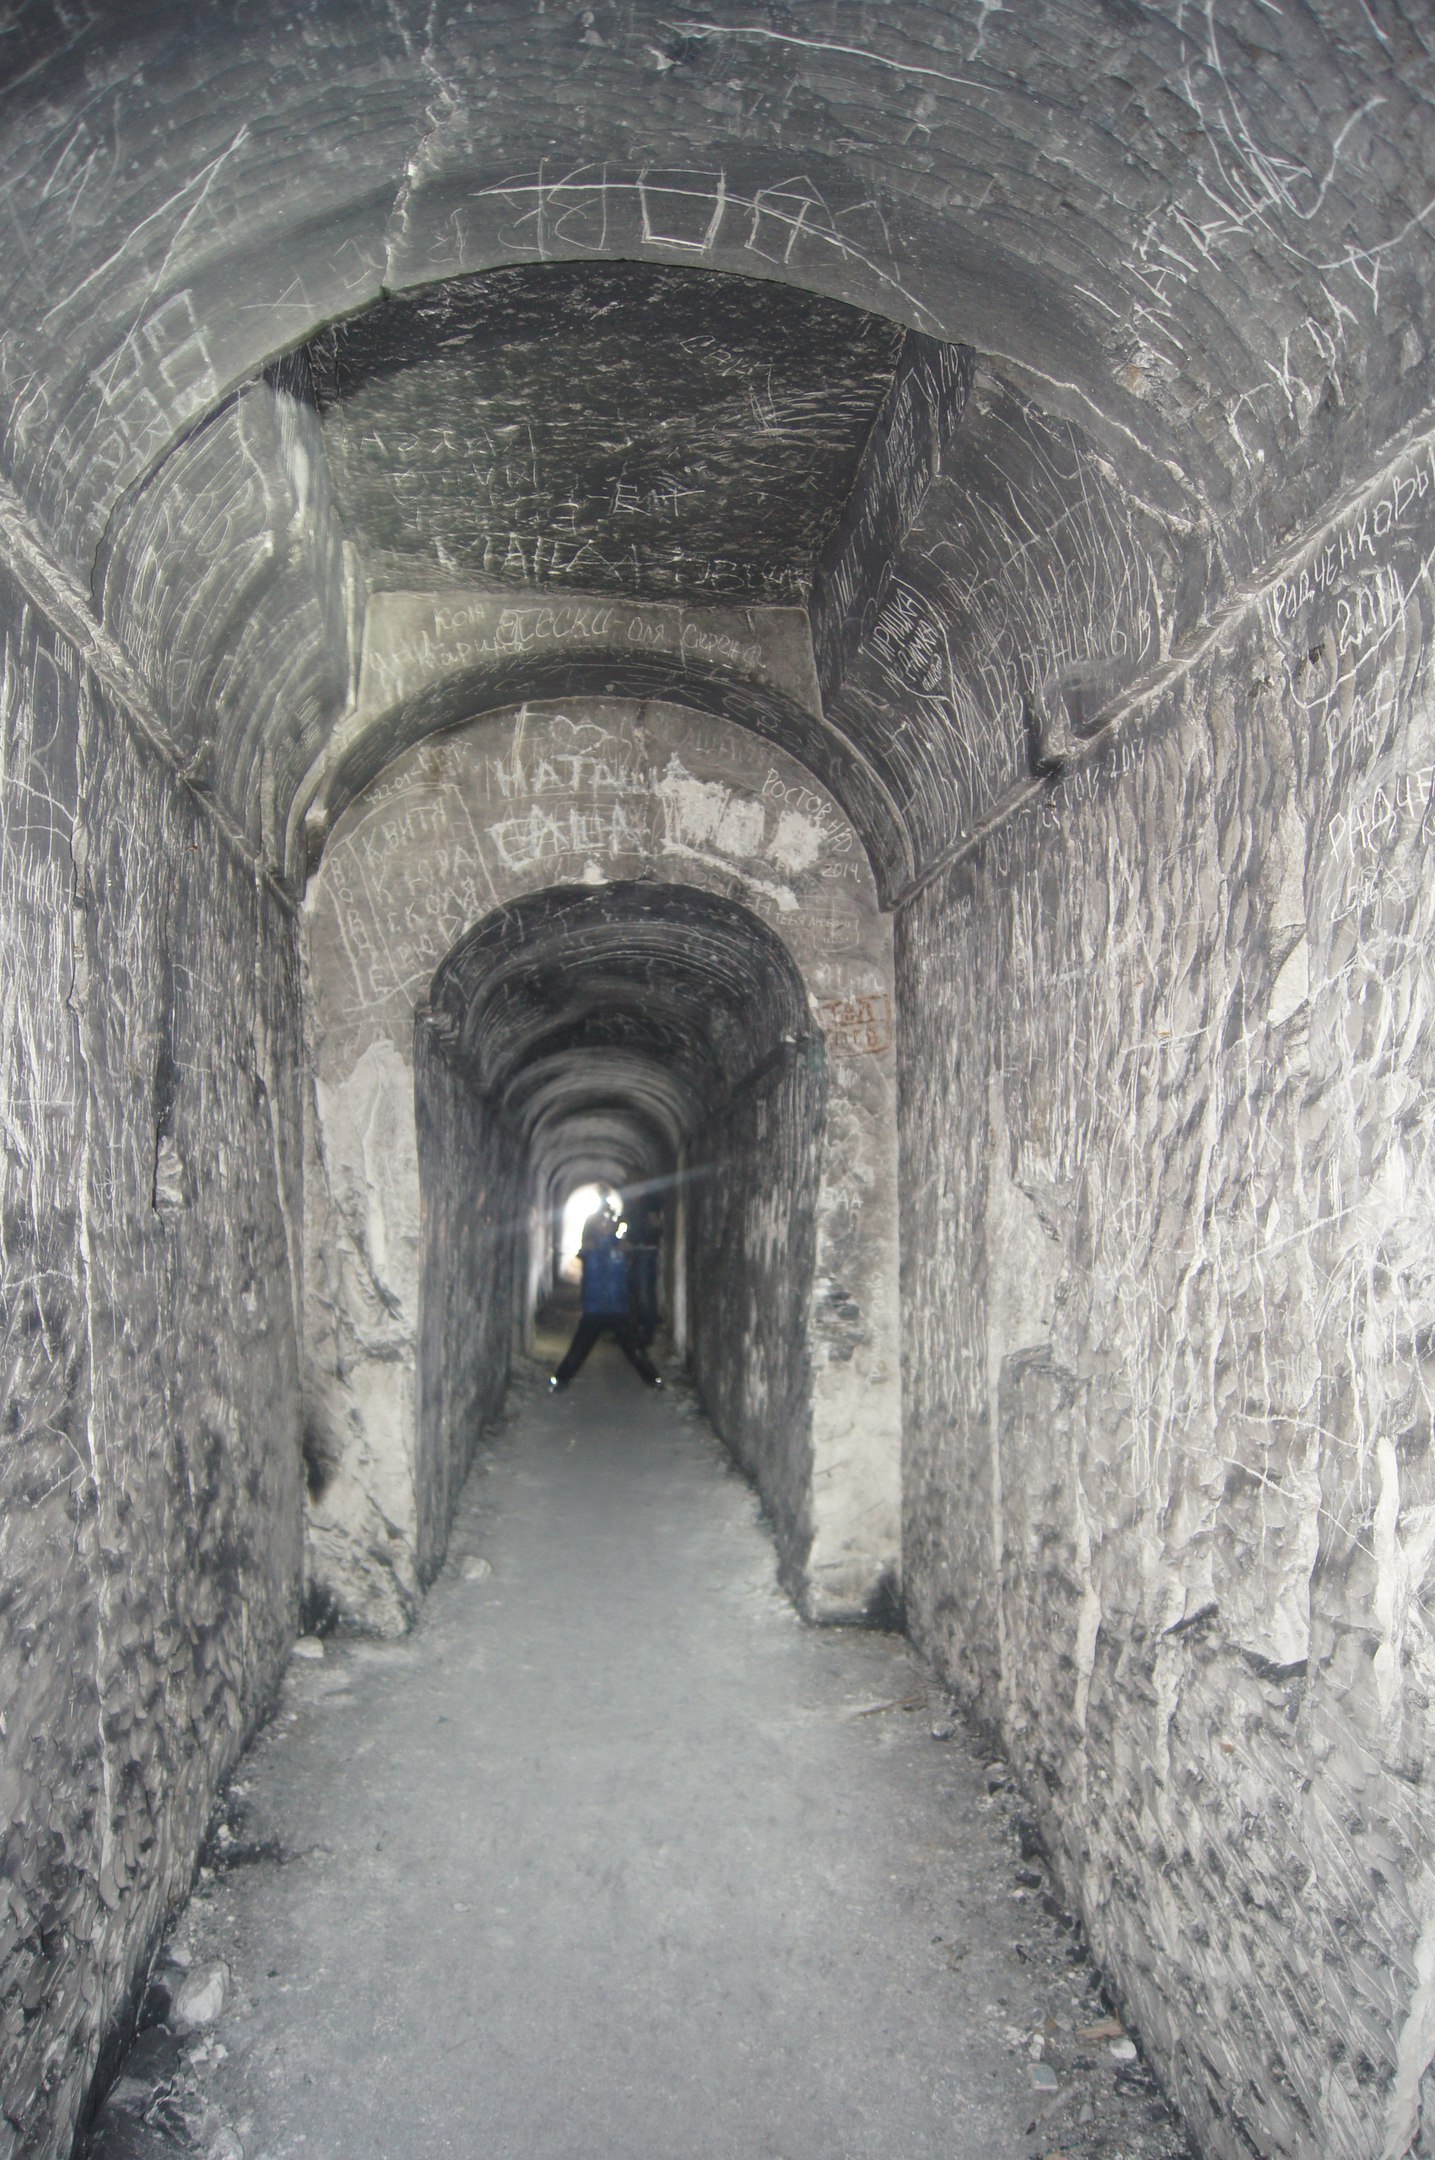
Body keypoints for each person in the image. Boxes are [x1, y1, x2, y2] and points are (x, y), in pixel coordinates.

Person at [549, 1207, 662, 1389]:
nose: (606, 1225)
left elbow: (641, 1254)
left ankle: (654, 1380)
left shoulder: (622, 1246)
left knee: (634, 1349)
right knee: (578, 1350)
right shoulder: (589, 1247)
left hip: (618, 1308)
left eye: (609, 1222)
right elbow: (582, 1251)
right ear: (594, 1225)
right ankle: (559, 1381)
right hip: (594, 1308)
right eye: (602, 1222)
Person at [624, 1191, 663, 1349]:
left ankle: (647, 1334)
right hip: (637, 1252)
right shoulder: (636, 1203)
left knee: (644, 1294)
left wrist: (646, 1241)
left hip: (645, 1252)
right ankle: (637, 1330)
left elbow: (656, 1225)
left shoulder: (649, 1200)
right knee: (634, 1290)